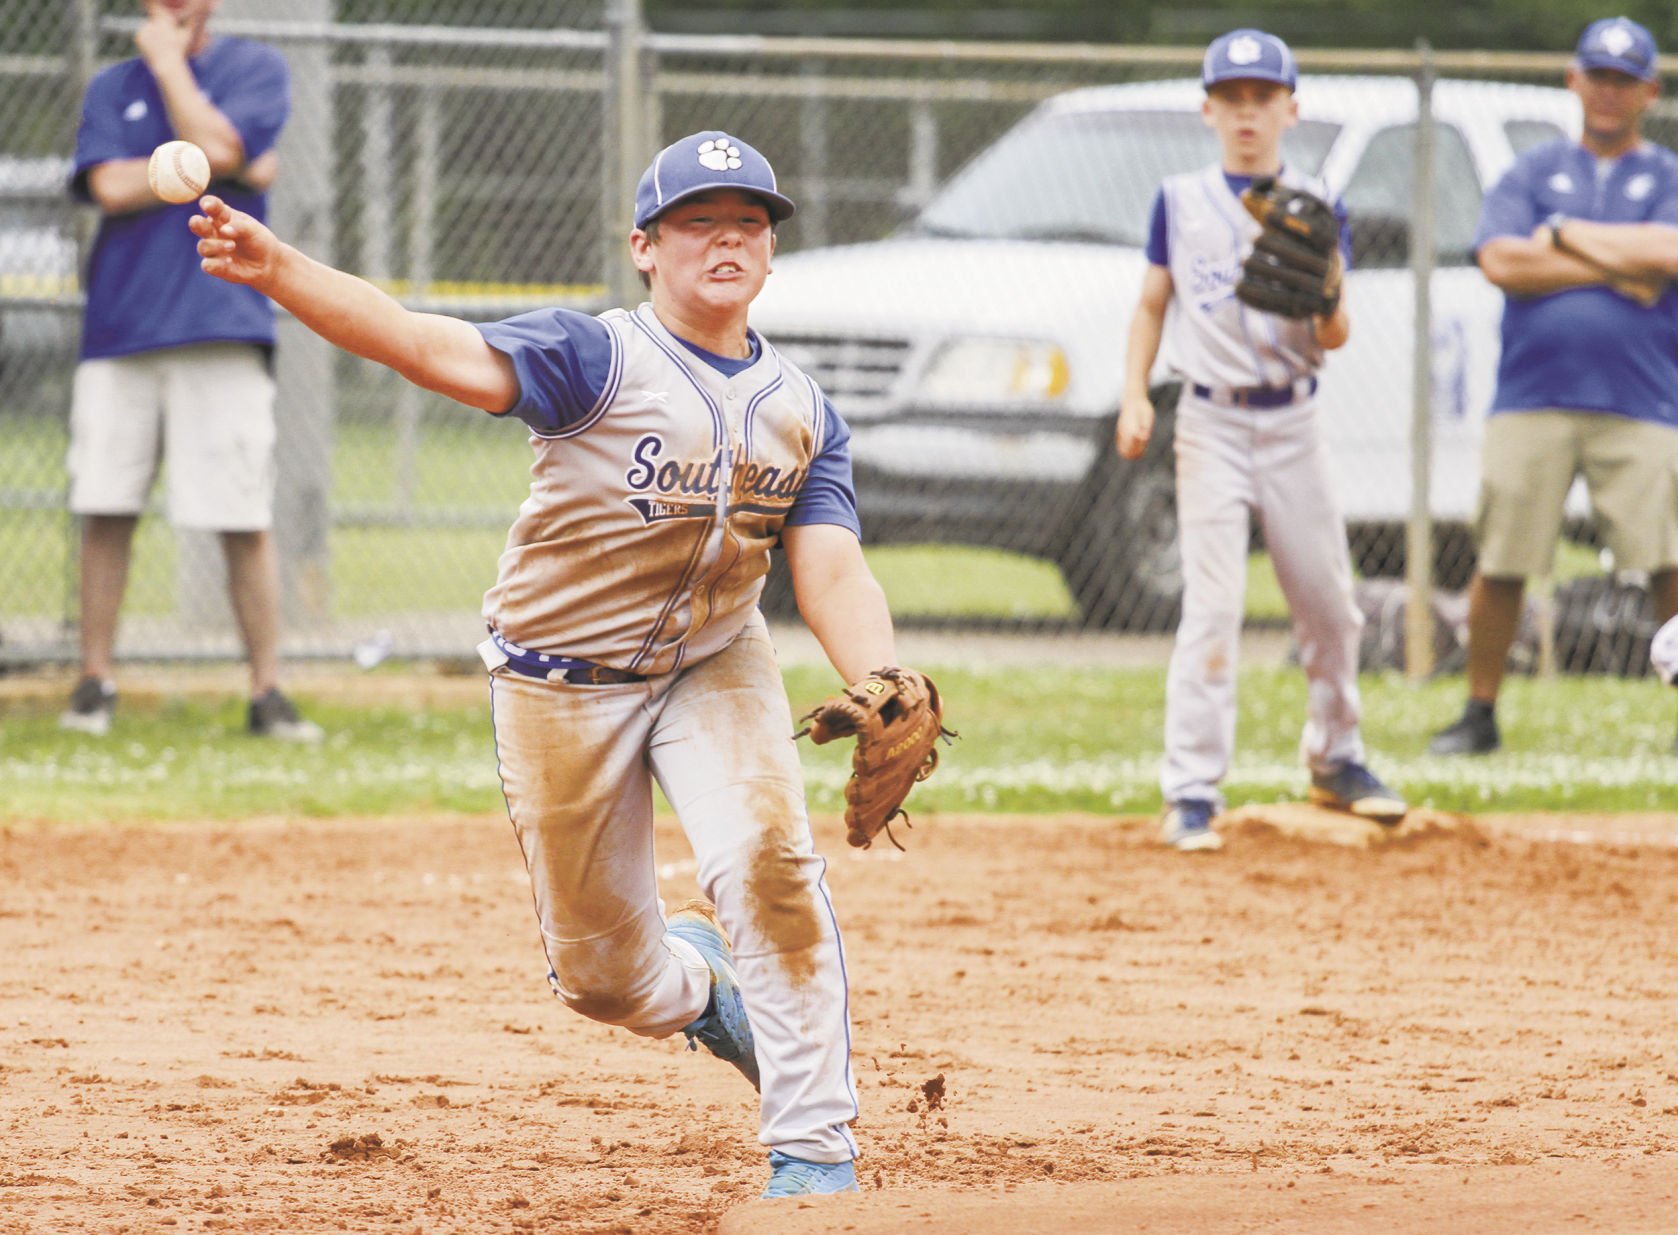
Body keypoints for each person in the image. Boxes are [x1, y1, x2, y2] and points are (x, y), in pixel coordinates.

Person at [189, 129, 915, 1199]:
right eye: (698, 223)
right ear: (644, 247)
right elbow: (417, 345)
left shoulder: (803, 407)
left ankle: (813, 1151)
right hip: (557, 682)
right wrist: (278, 268)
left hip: (713, 660)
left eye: (749, 223)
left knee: (768, 863)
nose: (728, 239)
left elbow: (833, 568)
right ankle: (702, 986)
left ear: (770, 251)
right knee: (603, 980)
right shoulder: (594, 356)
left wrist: (884, 677)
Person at [1115, 29, 1408, 851]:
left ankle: (1338, 756)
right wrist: (1136, 394)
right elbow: (1151, 303)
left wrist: (1322, 295)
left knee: (1330, 605)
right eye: (1233, 98)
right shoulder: (1178, 199)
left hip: (1292, 420)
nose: (1248, 113)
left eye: (1263, 98)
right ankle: (1193, 791)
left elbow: (1339, 333)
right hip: (1208, 420)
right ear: (1208, 109)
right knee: (1212, 608)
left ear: (1292, 108)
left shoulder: (1316, 201)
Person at [61, 0, 319, 742]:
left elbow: (229, 155)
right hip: (120, 326)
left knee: (241, 516)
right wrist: (217, 157)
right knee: (105, 507)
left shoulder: (256, 66)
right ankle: (93, 682)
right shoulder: (113, 84)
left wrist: (172, 67)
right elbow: (109, 186)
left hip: (222, 317)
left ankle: (267, 692)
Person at [1429, 16, 1678, 757]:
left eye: (1623, 79)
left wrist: (1562, 236)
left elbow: (1670, 252)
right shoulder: (1532, 172)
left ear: (1649, 91)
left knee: (1668, 558)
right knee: (1503, 558)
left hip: (1644, 397)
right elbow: (1502, 261)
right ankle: (1479, 712)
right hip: (1533, 395)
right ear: (1573, 81)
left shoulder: (1666, 174)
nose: (1607, 92)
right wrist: (1615, 266)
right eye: (1596, 76)